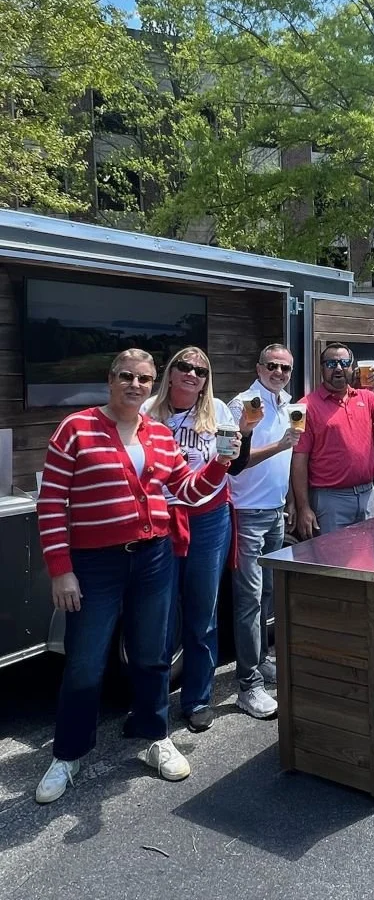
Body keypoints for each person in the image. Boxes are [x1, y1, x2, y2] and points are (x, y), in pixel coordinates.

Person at [34, 349, 235, 804]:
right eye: (126, 376)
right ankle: (68, 754)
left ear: (151, 385)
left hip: (153, 557)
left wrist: (220, 465)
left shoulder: (161, 435)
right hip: (94, 563)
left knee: (151, 653)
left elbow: (187, 491)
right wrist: (60, 571)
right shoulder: (76, 429)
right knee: (85, 660)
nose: (135, 385)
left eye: (143, 378)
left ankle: (154, 736)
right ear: (110, 380)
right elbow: (50, 504)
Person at [143, 347, 252, 733]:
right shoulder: (148, 413)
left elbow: (233, 463)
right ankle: (151, 705)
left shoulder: (219, 412)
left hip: (208, 517)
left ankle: (197, 698)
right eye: (184, 367)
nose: (192, 374)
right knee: (158, 615)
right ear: (170, 373)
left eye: (201, 370)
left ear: (207, 380)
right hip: (162, 518)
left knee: (202, 611)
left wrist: (244, 441)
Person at [228, 343, 301, 720]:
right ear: (258, 368)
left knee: (268, 593)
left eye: (285, 368)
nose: (278, 372)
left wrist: (288, 500)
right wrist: (279, 445)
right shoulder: (241, 406)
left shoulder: (287, 403)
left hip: (274, 511)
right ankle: (248, 685)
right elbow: (233, 465)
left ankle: (261, 660)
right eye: (272, 366)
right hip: (246, 513)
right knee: (248, 601)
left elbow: (288, 458)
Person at [292, 343, 374, 539]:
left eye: (344, 363)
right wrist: (303, 508)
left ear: (352, 367)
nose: (338, 368)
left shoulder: (367, 397)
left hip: (367, 493)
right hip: (330, 500)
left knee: (367, 560)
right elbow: (299, 460)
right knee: (334, 565)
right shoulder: (306, 406)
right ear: (322, 368)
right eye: (331, 363)